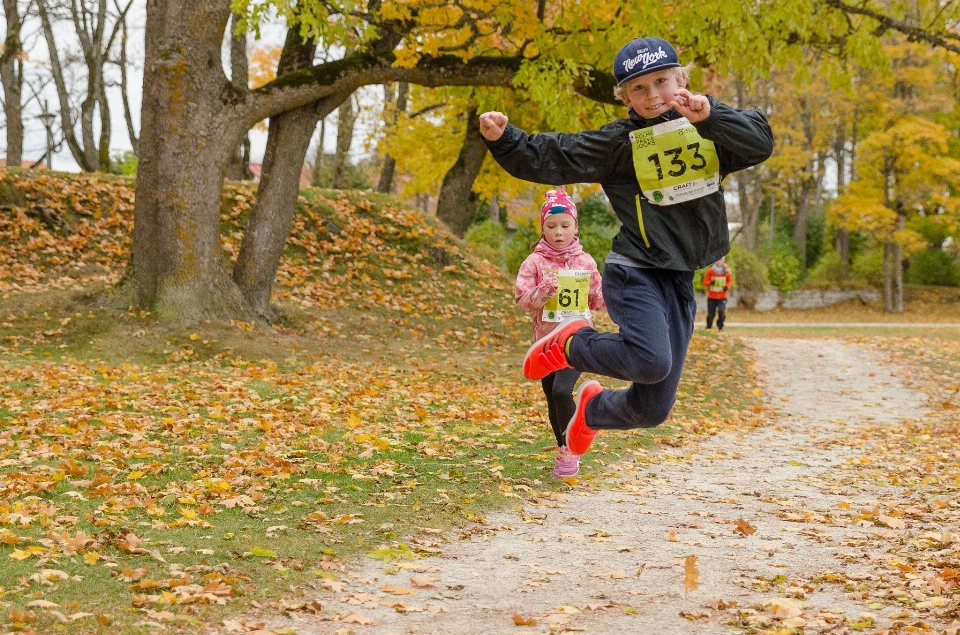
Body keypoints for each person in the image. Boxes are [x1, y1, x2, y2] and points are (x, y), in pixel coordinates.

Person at [479, 36, 773, 457]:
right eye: (639, 88)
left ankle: (591, 411)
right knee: (652, 361)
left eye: (662, 81)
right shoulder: (620, 143)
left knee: (652, 408)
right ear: (625, 98)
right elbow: (559, 153)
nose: (653, 95)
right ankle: (568, 344)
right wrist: (507, 140)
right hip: (634, 270)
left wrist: (711, 115)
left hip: (677, 276)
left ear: (682, 79)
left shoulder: (709, 129)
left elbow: (760, 142)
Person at [515, 189, 604, 478]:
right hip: (545, 344)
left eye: (565, 226)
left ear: (576, 227)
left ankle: (574, 446)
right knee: (553, 397)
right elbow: (522, 300)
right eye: (551, 226)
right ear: (542, 228)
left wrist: (614, 294)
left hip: (577, 339)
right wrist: (543, 292)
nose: (558, 232)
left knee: (562, 390)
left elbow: (597, 300)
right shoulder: (534, 263)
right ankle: (564, 451)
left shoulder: (586, 262)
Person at [703, 257, 732, 330]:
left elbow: (730, 281)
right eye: (717, 260)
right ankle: (708, 326)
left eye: (720, 260)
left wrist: (727, 286)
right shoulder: (710, 271)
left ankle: (720, 326)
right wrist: (710, 283)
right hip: (712, 296)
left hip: (722, 296)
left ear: (723, 261)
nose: (718, 262)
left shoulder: (726, 271)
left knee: (721, 311)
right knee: (711, 314)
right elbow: (705, 282)